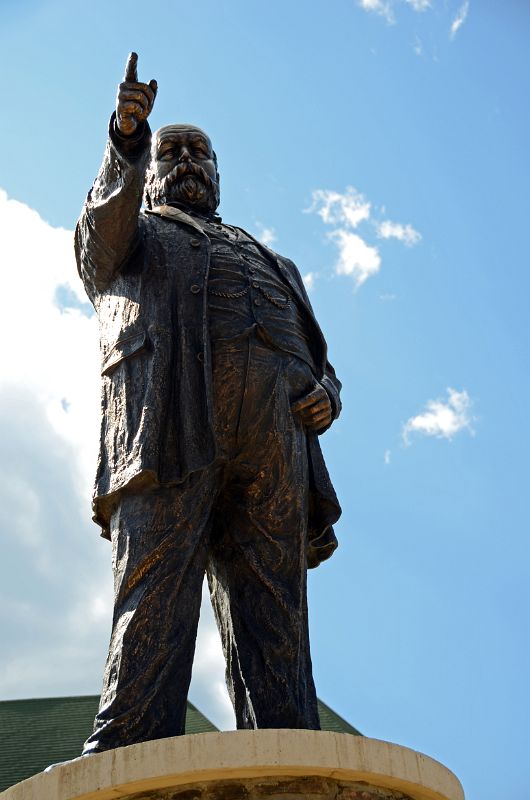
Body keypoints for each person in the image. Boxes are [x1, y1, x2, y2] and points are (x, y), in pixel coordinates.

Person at [75, 52, 342, 754]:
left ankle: (289, 751)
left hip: (275, 440)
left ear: (218, 172)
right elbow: (97, 244)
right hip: (170, 426)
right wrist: (127, 140)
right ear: (154, 171)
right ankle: (127, 755)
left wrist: (325, 394)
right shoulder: (136, 235)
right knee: (156, 594)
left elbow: (318, 355)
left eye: (200, 152)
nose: (188, 160)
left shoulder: (272, 258)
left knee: (275, 608)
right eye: (173, 151)